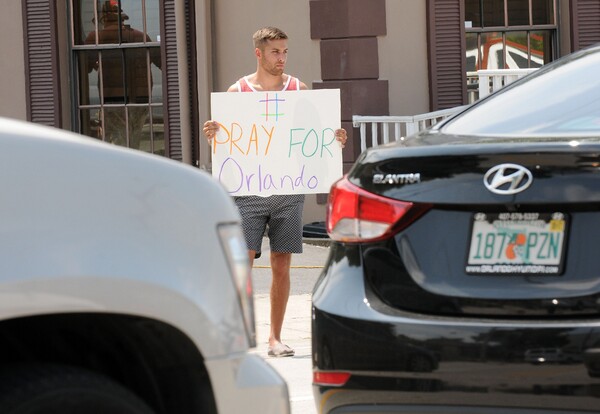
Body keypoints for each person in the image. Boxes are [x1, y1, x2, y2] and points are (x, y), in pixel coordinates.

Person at [203, 27, 347, 357]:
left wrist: (334, 139)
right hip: (249, 191)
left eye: (284, 52)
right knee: (243, 264)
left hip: (289, 190)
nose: (281, 58)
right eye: (274, 52)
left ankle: (275, 338)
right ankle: (235, 336)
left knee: (282, 265)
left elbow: (316, 137)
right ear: (258, 53)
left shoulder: (298, 89)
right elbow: (228, 142)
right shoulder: (237, 92)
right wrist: (214, 134)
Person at [85, 0, 161, 149]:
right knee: (135, 138)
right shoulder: (141, 36)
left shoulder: (95, 38)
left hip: (111, 99)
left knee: (114, 142)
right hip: (141, 98)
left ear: (103, 19)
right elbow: (163, 63)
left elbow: (84, 68)